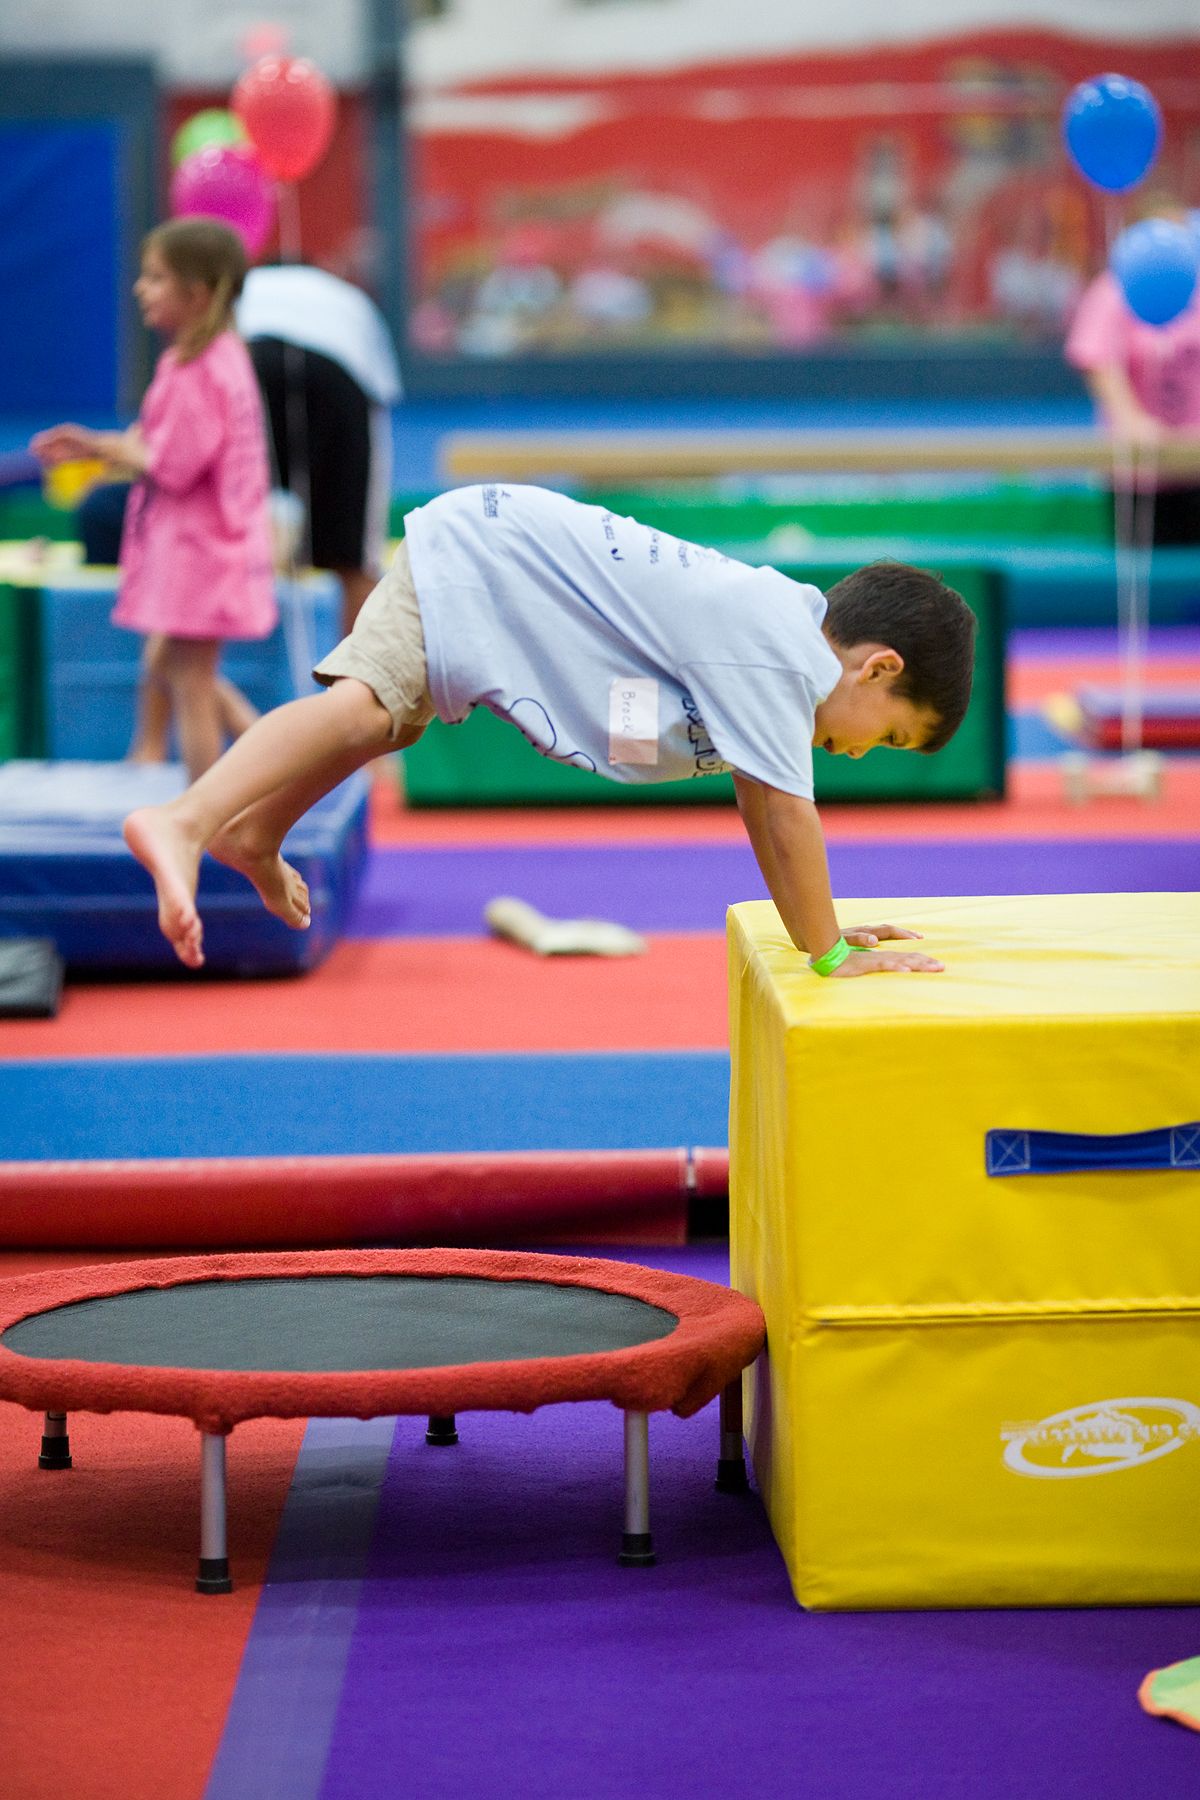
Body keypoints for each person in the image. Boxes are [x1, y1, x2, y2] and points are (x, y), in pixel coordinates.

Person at [121, 485, 976, 974]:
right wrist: (829, 953)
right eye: (889, 736)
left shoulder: (771, 648)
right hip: (486, 556)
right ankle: (186, 820)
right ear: (878, 668)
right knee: (367, 706)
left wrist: (819, 932)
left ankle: (255, 832)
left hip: (503, 569)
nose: (863, 753)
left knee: (394, 722)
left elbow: (748, 798)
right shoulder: (783, 658)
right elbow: (781, 812)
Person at [32, 219, 276, 779]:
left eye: (155, 278)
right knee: (171, 663)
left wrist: (106, 454)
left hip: (201, 553)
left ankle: (204, 806)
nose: (141, 289)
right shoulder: (206, 360)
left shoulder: (201, 370)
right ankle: (269, 755)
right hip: (204, 548)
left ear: (198, 294)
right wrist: (94, 445)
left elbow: (173, 464)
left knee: (190, 682)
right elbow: (154, 443)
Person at [236, 262, 403, 633]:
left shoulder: (246, 287)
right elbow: (380, 396)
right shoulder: (350, 300)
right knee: (354, 562)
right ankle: (359, 683)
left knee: (238, 525)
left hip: (247, 364)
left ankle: (231, 669)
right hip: (338, 377)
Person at [1065, 202, 1200, 548]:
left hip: (1194, 461)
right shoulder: (1113, 291)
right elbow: (1099, 364)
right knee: (1153, 580)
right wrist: (1132, 422)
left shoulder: (1194, 289)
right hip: (1140, 474)